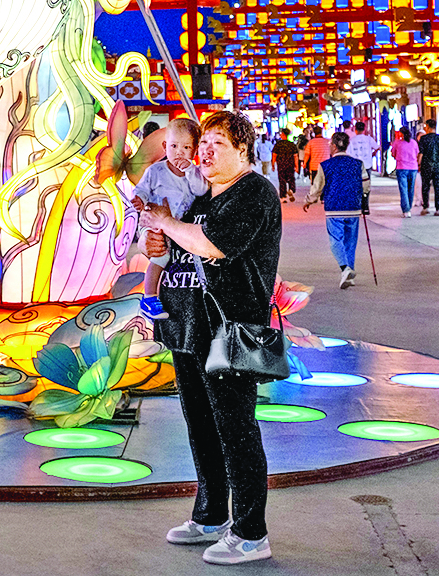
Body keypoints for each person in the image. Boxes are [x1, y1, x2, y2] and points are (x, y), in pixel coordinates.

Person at [140, 110, 280, 565]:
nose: (205, 152)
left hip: (229, 332)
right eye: (203, 144)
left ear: (243, 149)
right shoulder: (197, 194)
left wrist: (169, 225)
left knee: (236, 430)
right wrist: (155, 242)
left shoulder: (253, 192)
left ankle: (251, 533)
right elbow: (169, 243)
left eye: (217, 144)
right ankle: (211, 514)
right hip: (187, 329)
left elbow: (213, 244)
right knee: (201, 426)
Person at [130, 117, 209, 319]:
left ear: (195, 151)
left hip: (179, 227)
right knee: (161, 256)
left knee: (178, 259)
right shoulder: (156, 171)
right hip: (157, 225)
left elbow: (201, 190)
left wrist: (190, 170)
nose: (179, 152)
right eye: (174, 146)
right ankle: (149, 297)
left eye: (186, 147)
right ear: (165, 146)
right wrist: (139, 199)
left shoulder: (195, 173)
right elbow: (142, 189)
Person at [304, 130, 366, 288]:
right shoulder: (358, 164)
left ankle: (345, 269)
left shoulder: (325, 165)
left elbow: (317, 187)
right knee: (350, 242)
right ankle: (349, 275)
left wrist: (309, 200)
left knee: (335, 240)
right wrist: (363, 201)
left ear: (333, 146)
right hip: (353, 207)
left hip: (334, 208)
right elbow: (366, 185)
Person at [417, 119, 439, 215]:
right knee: (438, 187)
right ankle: (438, 209)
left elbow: (421, 153)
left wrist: (418, 163)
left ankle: (426, 207)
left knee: (425, 187)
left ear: (427, 126)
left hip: (426, 166)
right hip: (438, 166)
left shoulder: (423, 139)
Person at [390, 127, 420, 217]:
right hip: (413, 168)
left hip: (401, 167)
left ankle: (406, 210)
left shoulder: (397, 143)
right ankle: (408, 208)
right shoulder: (414, 143)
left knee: (403, 189)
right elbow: (417, 153)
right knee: (411, 189)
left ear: (401, 134)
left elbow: (393, 154)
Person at [297, 125, 330, 197]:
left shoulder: (311, 142)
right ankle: (323, 197)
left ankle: (315, 195)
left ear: (314, 133)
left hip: (314, 165)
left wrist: (304, 163)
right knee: (325, 181)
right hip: (326, 165)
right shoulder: (327, 142)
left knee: (315, 181)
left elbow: (307, 154)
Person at [270, 132, 298, 202]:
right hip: (290, 164)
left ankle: (283, 197)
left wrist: (273, 164)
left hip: (281, 164)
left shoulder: (278, 144)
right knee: (291, 178)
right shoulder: (291, 144)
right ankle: (291, 189)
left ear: (283, 135)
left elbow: (274, 155)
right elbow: (295, 156)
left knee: (282, 180)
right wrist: (297, 166)